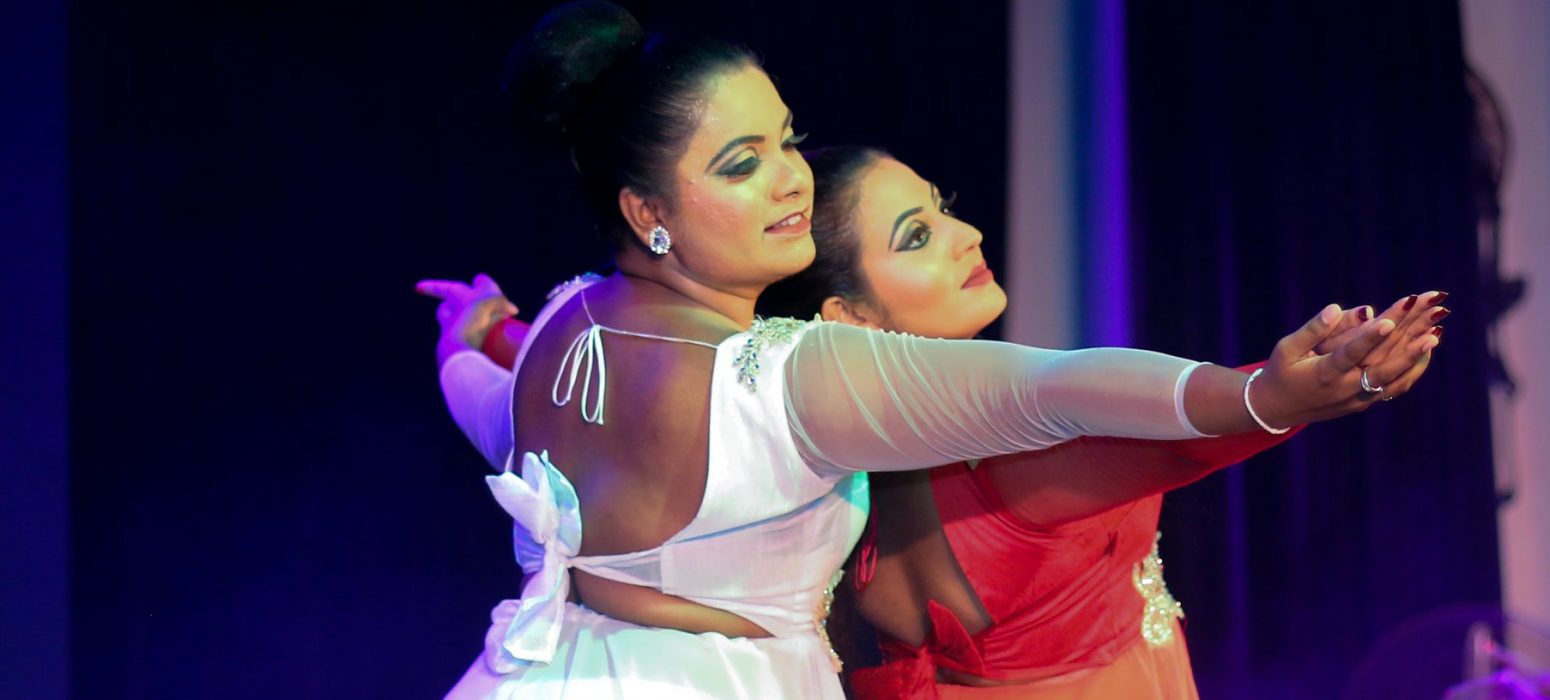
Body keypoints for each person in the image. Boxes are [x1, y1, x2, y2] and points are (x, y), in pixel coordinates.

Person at [419, 3, 1440, 698]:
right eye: (741, 164)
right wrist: (1260, 393)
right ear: (648, 212)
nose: (789, 179)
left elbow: (487, 403)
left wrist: (467, 332)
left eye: (785, 140)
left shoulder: (559, 330)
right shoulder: (786, 377)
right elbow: (1051, 389)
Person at [756, 146, 1445, 698]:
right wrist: (1272, 397)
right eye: (917, 237)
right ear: (850, 319)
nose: (967, 236)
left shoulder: (840, 482)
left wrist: (1274, 397)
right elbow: (1162, 440)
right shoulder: (1002, 464)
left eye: (945, 210)